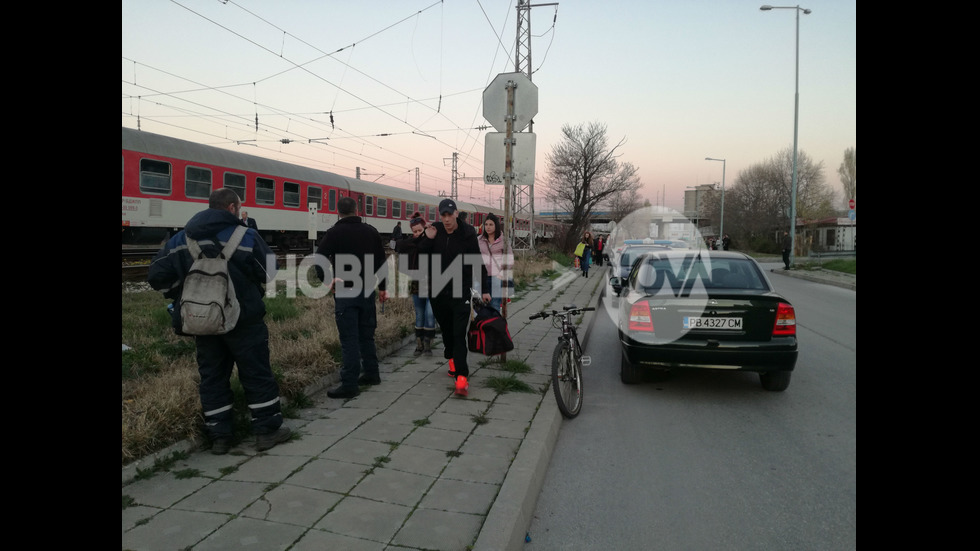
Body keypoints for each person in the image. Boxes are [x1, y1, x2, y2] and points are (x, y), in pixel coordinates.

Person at [147, 188, 290, 455]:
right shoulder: (246, 235)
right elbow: (269, 273)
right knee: (256, 372)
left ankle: (220, 436)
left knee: (212, 376)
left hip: (203, 320)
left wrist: (182, 291)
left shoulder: (181, 238)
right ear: (233, 208)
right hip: (244, 319)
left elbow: (156, 275)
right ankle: (267, 431)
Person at [315, 196, 389, 399]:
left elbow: (319, 260)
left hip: (346, 293)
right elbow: (381, 262)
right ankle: (372, 374)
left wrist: (328, 280)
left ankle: (349, 384)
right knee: (366, 335)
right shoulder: (371, 231)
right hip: (367, 291)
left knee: (349, 339)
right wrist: (383, 288)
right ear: (356, 210)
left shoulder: (334, 233)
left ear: (338, 211)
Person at [418, 198, 485, 396]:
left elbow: (477, 262)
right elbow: (420, 254)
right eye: (443, 215)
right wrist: (427, 239)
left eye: (450, 214)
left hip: (460, 291)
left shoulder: (467, 233)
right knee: (447, 332)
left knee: (458, 335)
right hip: (438, 291)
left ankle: (461, 379)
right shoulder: (435, 231)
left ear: (456, 213)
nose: (446, 219)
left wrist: (486, 289)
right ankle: (451, 357)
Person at [396, 215, 437, 356]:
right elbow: (399, 245)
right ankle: (419, 344)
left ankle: (428, 343)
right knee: (419, 313)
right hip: (417, 283)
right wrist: (423, 237)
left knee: (430, 314)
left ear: (425, 228)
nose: (417, 234)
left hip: (433, 284)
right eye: (415, 232)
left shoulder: (433, 242)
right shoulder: (412, 243)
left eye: (420, 230)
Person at [477, 213, 513, 312]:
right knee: (479, 304)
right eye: (486, 224)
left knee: (495, 305)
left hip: (496, 277)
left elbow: (509, 258)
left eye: (491, 224)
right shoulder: (479, 240)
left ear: (496, 226)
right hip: (481, 276)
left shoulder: (503, 241)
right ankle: (482, 325)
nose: (488, 227)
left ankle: (494, 325)